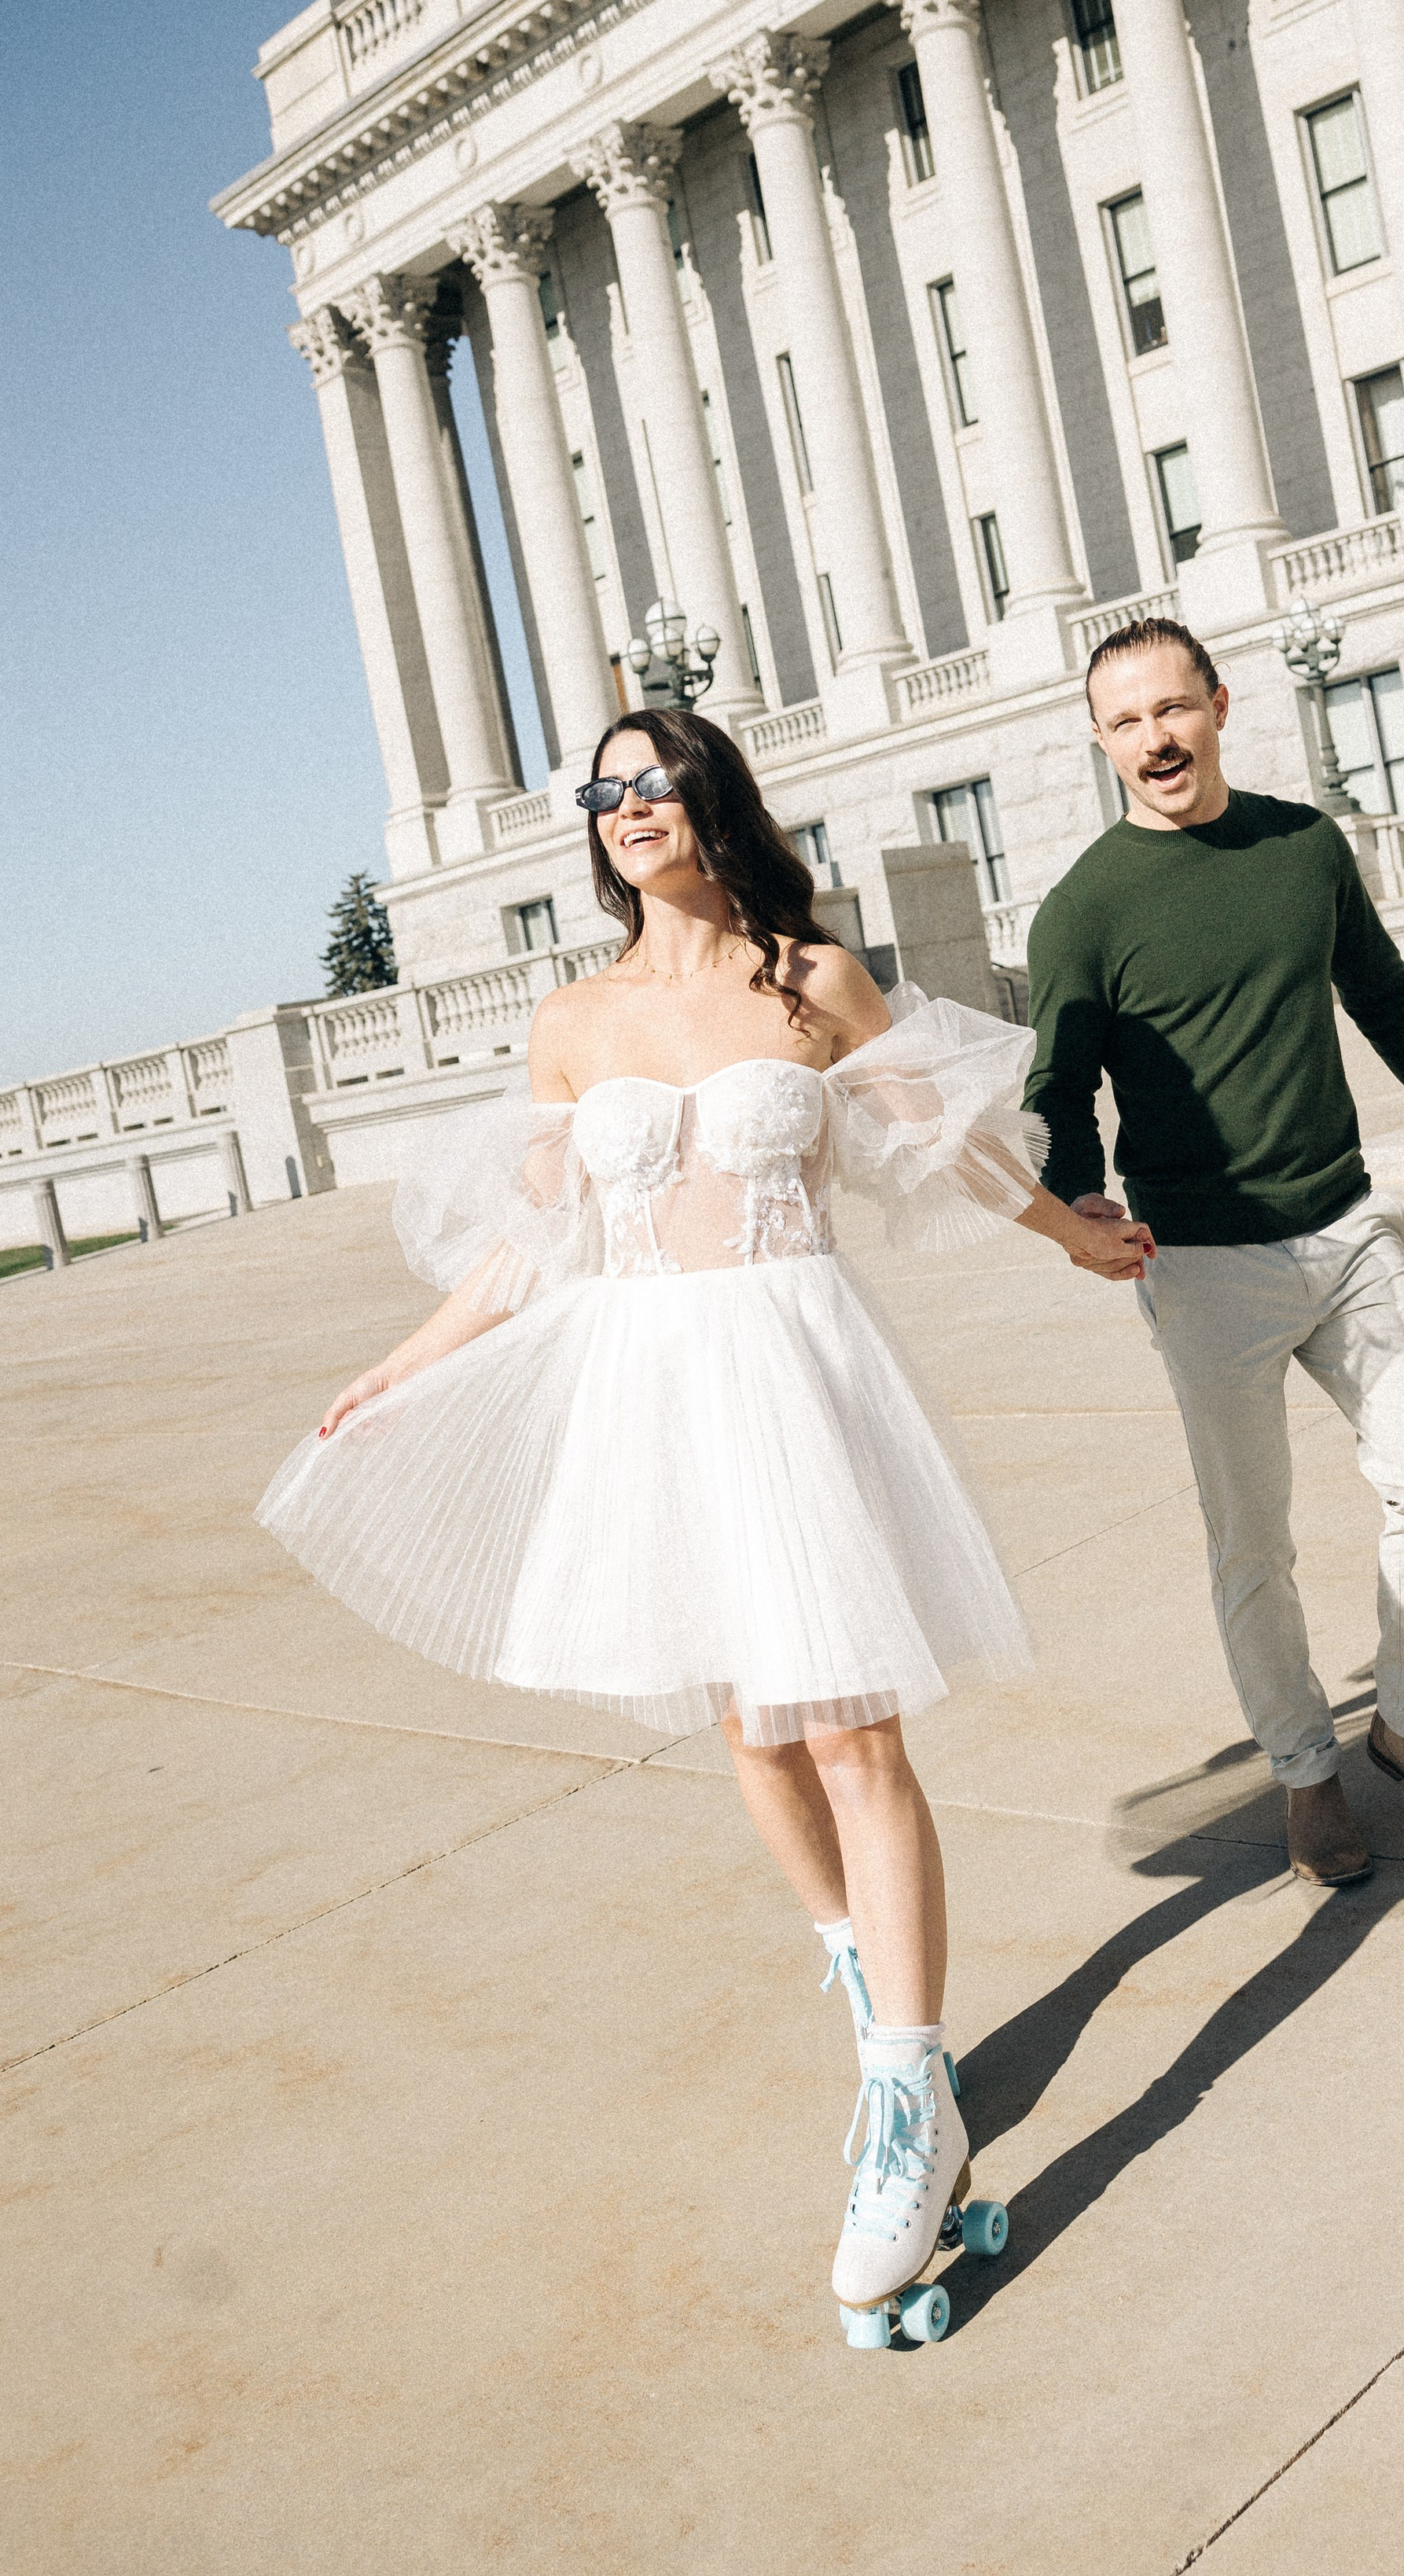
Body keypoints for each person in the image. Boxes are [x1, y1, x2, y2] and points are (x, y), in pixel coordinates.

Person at [259, 708, 1149, 2342]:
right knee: (748, 1729)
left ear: (711, 801)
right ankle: (864, 1979)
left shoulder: (808, 982)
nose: (623, 809)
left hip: (790, 1363)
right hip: (649, 1385)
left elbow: (939, 1145)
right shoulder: (572, 1021)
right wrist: (391, 1369)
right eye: (600, 794)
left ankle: (909, 2099)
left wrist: (1069, 1235)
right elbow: (532, 1251)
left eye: (651, 782)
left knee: (852, 1731)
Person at [1024, 619, 1404, 1885]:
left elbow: (1385, 992)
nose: (1157, 738)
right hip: (1200, 1264)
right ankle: (1305, 1771)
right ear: (1101, 741)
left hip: (1348, 1229)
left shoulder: (1303, 846)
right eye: (1128, 721)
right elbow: (1060, 1088)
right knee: (1252, 1539)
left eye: (1174, 709)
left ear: (1220, 706)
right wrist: (1082, 1208)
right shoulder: (1083, 909)